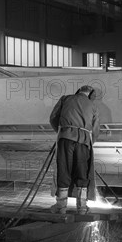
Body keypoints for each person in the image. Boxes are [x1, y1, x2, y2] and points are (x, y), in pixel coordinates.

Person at [49, 85, 100, 214]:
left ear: (78, 91)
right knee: (82, 172)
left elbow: (53, 118)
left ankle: (61, 207)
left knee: (64, 169)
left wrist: (63, 132)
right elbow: (95, 129)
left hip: (65, 139)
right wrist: (90, 142)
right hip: (83, 141)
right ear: (89, 94)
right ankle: (82, 208)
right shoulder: (92, 105)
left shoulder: (65, 99)